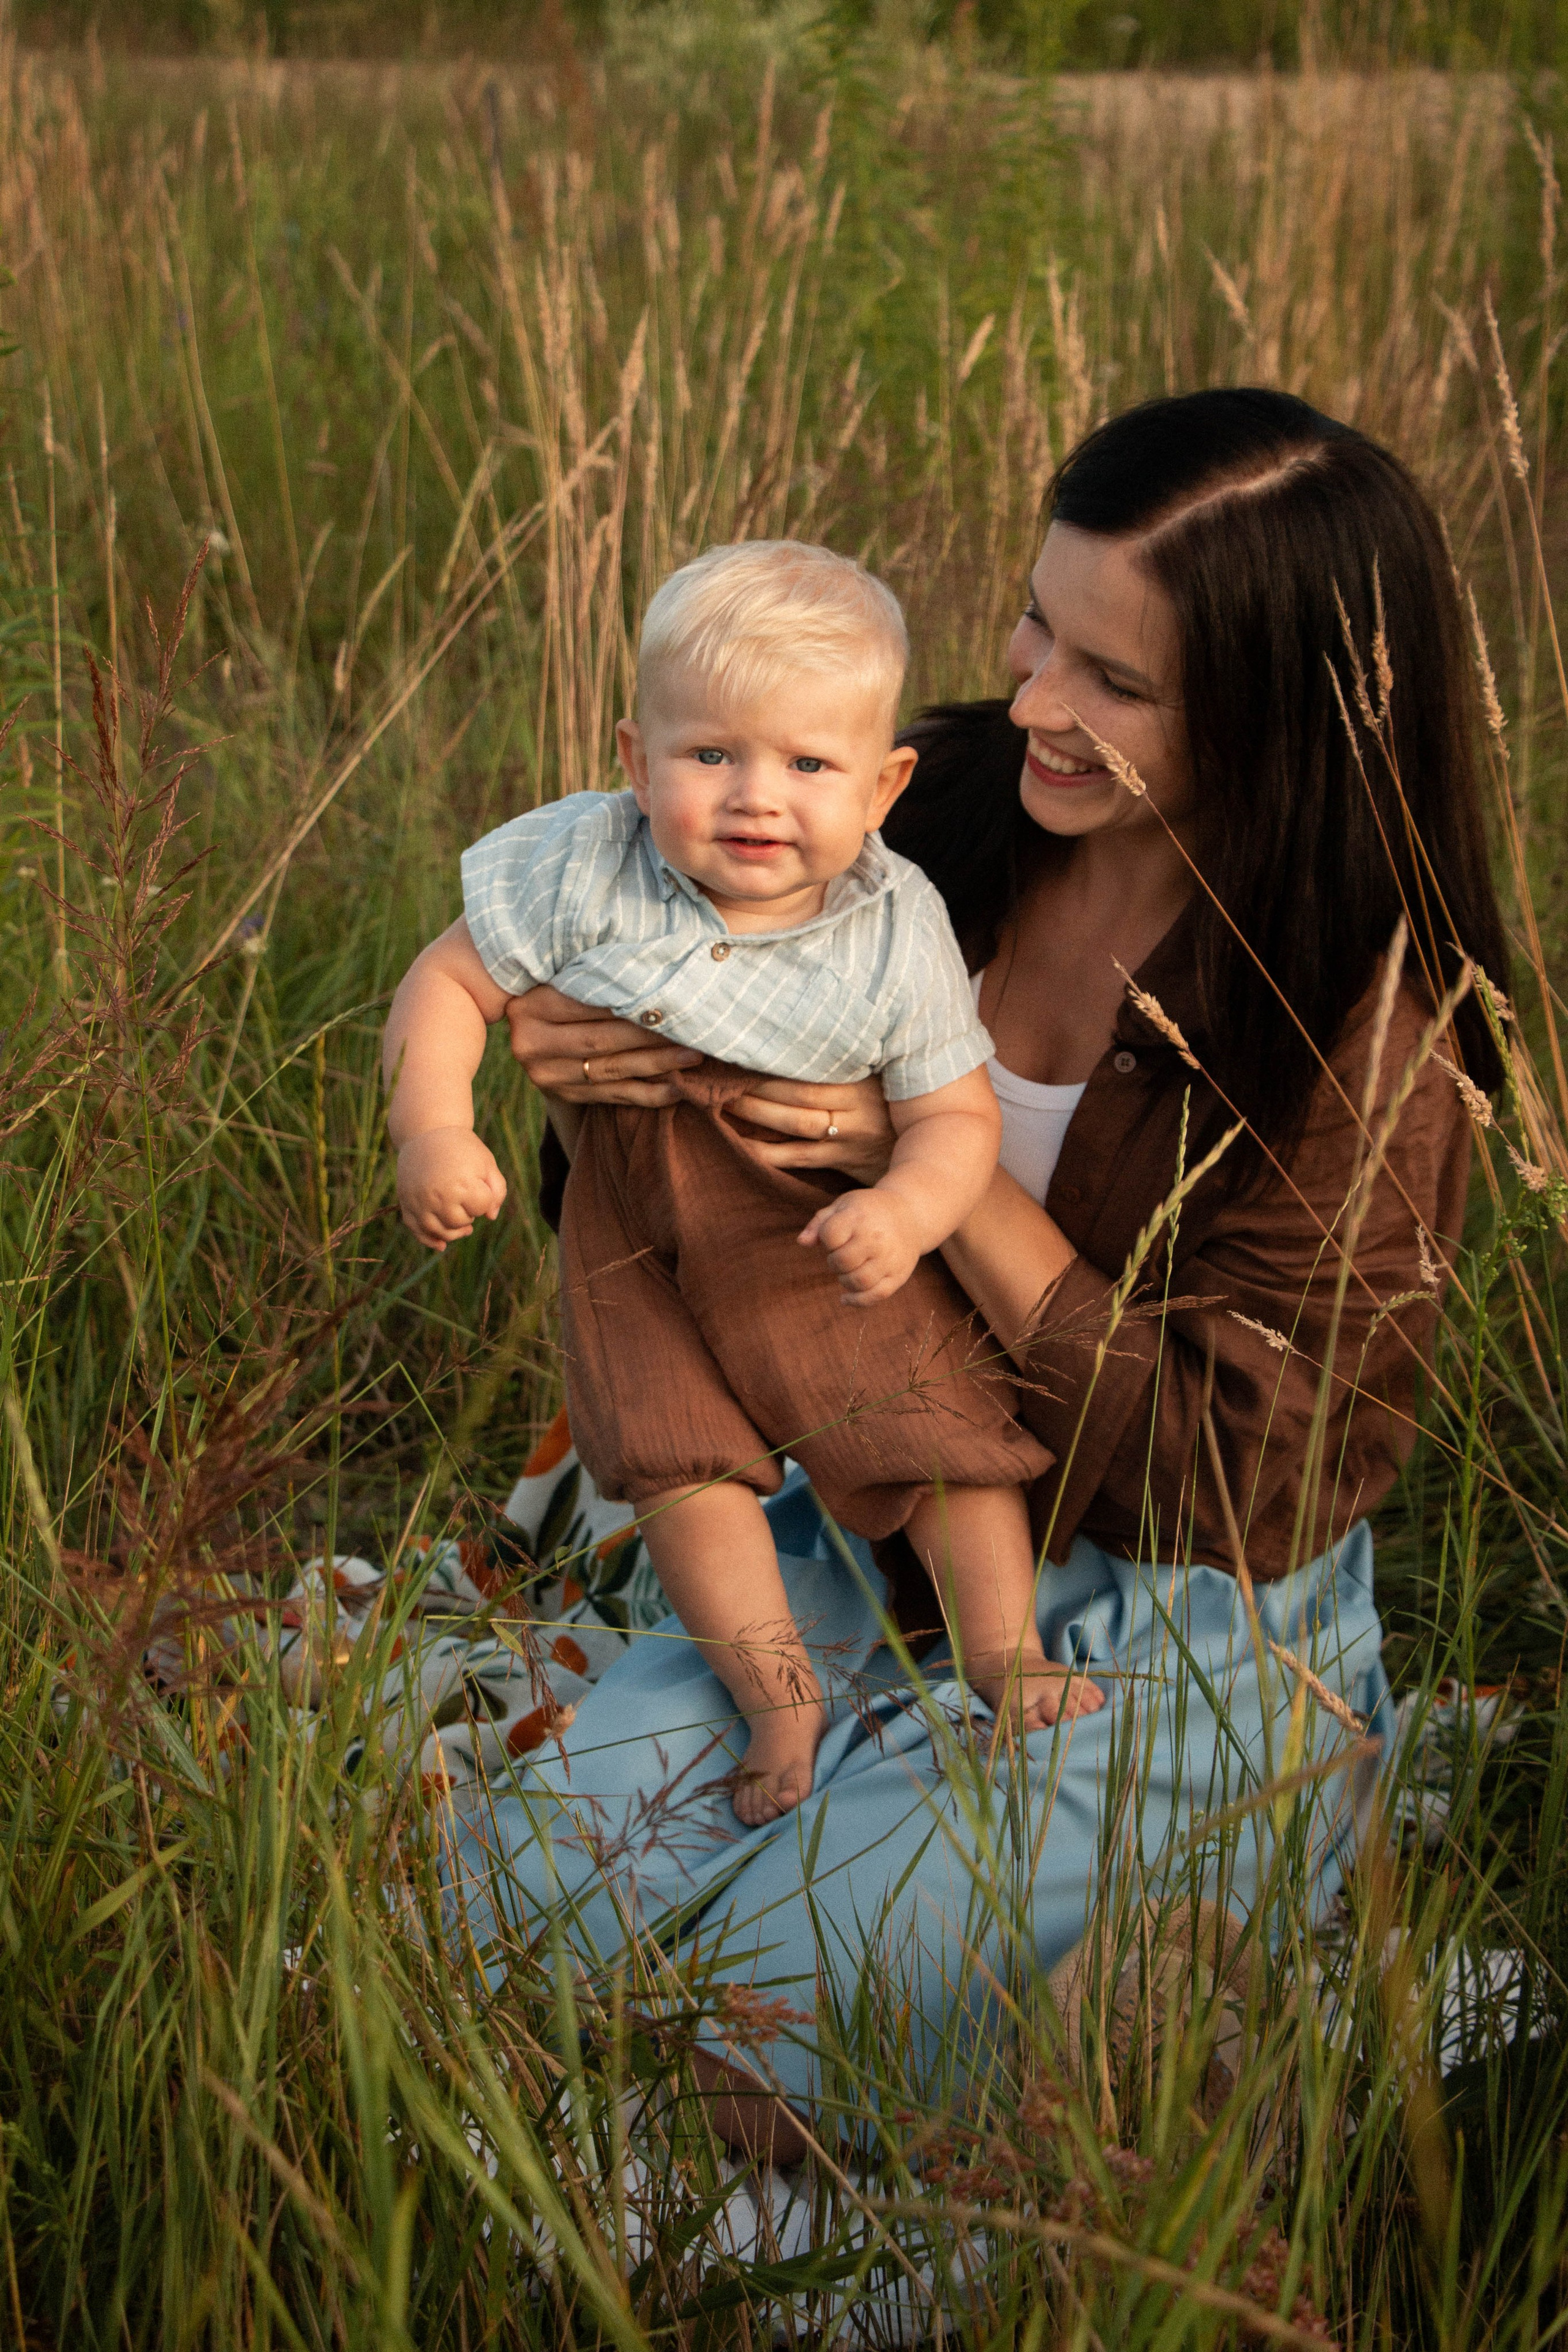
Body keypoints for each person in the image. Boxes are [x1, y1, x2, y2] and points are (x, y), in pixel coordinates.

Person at [450, 388, 1508, 2162]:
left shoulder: (1363, 1023)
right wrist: (598, 1070)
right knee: (527, 1904)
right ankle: (987, 1957)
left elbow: (1237, 1482)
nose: (1032, 701)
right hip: (868, 1521)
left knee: (788, 2011)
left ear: (1277, 719)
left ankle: (1197, 1968)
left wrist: (924, 1173)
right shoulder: (932, 817)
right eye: (1037, 625)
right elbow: (673, 1222)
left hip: (1176, 1618)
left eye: (1116, 680)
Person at [383, 541, 1096, 1830]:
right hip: (632, 1237)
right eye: (710, 754)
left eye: (808, 765)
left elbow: (953, 1114)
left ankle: (1006, 1653)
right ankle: (777, 1700)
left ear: (883, 786)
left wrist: (905, 1209)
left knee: (929, 1427)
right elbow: (446, 980)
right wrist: (433, 1128)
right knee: (679, 1469)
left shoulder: (890, 923)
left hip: (809, 1225)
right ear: (634, 757)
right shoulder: (586, 864)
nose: (756, 797)